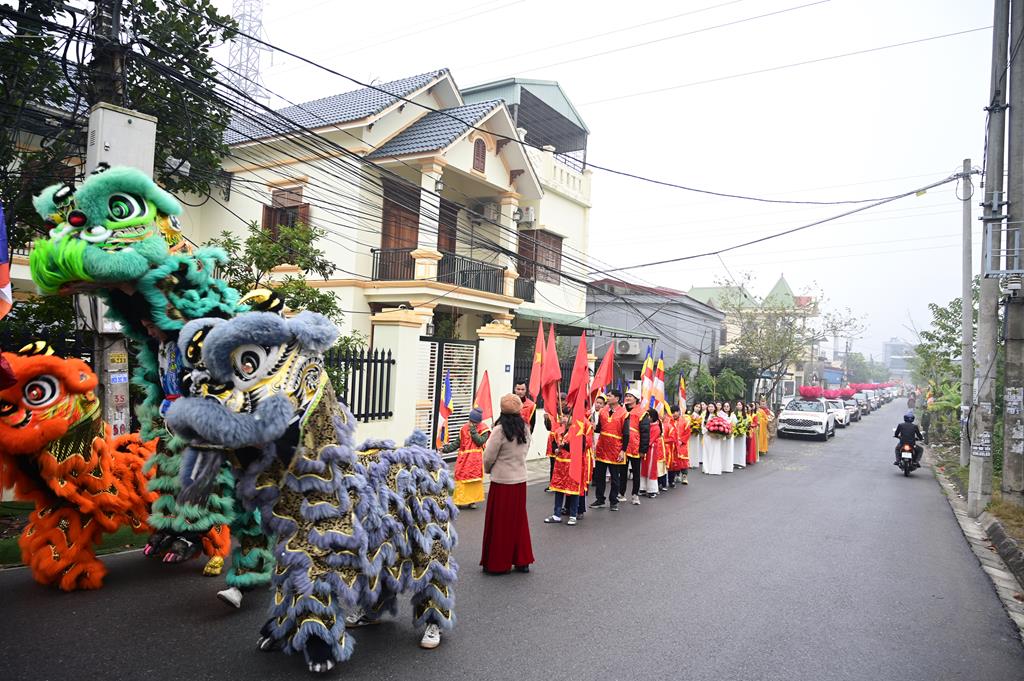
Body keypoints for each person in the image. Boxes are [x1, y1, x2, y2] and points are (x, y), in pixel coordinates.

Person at [481, 394, 534, 574]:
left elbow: (488, 456)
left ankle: (498, 563)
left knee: (500, 522)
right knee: (519, 520)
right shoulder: (525, 428)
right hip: (520, 478)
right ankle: (522, 560)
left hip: (502, 480)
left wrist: (489, 470)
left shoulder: (499, 430)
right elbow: (525, 451)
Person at [441, 407, 489, 508]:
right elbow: (457, 443)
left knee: (474, 480)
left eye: (475, 422)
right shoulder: (463, 428)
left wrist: (473, 431)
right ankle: (459, 501)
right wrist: (445, 449)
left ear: (479, 421)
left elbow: (479, 441)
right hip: (463, 459)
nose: (472, 423)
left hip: (476, 460)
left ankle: (472, 501)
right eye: (471, 421)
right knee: (461, 479)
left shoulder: (484, 429)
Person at [591, 389, 628, 511]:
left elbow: (626, 434)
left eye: (610, 395)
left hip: (616, 448)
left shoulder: (624, 413)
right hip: (602, 446)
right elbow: (599, 429)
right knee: (599, 476)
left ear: (617, 398)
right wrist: (592, 427)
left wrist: (623, 450)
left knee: (614, 477)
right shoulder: (602, 411)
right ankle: (600, 499)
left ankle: (614, 501)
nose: (607, 397)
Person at [622, 391, 651, 505]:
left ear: (636, 399)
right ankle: (621, 493)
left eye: (630, 396)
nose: (627, 398)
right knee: (622, 471)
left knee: (635, 472)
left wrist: (643, 450)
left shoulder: (642, 413)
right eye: (627, 396)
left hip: (635, 446)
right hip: (623, 445)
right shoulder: (622, 410)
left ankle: (635, 495)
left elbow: (645, 433)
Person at [640, 407, 664, 498]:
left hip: (651, 450)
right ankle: (643, 487)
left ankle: (652, 490)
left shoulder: (656, 427)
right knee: (644, 468)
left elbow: (650, 440)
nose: (647, 418)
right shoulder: (648, 425)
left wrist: (643, 445)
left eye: (648, 416)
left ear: (653, 417)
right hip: (645, 449)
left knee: (651, 469)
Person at [668, 407, 690, 486]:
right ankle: (676, 475)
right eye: (672, 412)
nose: (673, 414)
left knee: (683, 461)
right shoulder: (669, 421)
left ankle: (684, 476)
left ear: (679, 412)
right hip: (673, 445)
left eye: (675, 412)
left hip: (682, 445)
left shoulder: (684, 421)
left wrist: (682, 441)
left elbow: (687, 433)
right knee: (674, 461)